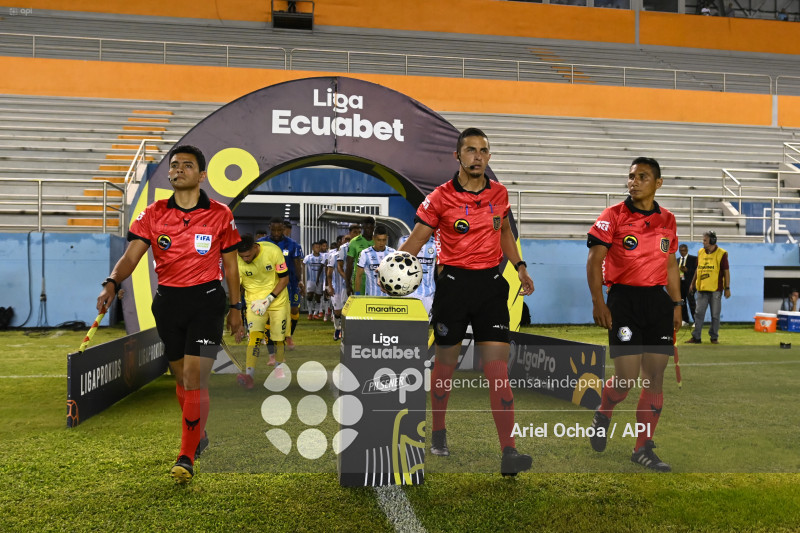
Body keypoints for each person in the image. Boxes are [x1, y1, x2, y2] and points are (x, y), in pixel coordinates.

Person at [95, 145, 244, 484]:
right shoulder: (153, 213)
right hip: (167, 304)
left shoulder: (221, 214)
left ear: (201, 175)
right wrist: (111, 281)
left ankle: (186, 455)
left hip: (207, 301)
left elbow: (231, 266)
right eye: (174, 165)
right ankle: (198, 434)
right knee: (181, 379)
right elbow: (132, 256)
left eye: (186, 166)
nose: (177, 170)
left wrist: (235, 308)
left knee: (194, 377)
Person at [398, 127, 535, 476]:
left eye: (483, 151)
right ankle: (439, 431)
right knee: (445, 366)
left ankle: (509, 451)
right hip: (453, 287)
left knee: (497, 371)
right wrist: (392, 273)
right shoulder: (440, 197)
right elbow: (417, 239)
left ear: (489, 156)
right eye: (471, 150)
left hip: (491, 288)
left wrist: (519, 267)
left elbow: (504, 232)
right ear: (457, 156)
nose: (477, 156)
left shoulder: (500, 194)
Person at [587, 156, 681, 473]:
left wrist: (676, 304)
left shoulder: (668, 219)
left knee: (655, 378)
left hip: (657, 302)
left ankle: (642, 449)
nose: (634, 181)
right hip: (623, 300)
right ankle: (604, 410)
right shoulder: (612, 216)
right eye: (631, 176)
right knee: (626, 380)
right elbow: (593, 261)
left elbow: (670, 265)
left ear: (658, 183)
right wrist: (599, 302)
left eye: (642, 176)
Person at [236, 234, 290, 387]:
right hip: (254, 302)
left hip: (276, 299)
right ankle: (249, 376)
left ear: (255, 247)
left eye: (248, 256)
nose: (245, 259)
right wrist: (238, 314)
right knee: (254, 336)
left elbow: (284, 279)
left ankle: (279, 368)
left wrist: (269, 300)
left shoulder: (273, 251)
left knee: (278, 337)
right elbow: (237, 288)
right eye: (242, 256)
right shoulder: (236, 259)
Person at [260, 217, 304, 350]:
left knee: (294, 310)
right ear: (270, 228)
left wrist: (300, 280)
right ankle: (271, 342)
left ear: (283, 229)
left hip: (289, 283)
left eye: (279, 229)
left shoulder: (293, 244)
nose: (277, 232)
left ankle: (288, 336)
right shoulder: (261, 243)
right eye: (274, 229)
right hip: (269, 284)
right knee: (270, 314)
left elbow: (297, 264)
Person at [687, 231, 730, 344]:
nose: (703, 242)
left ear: (712, 241)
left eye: (705, 240)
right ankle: (696, 337)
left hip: (716, 290)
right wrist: (692, 283)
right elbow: (698, 269)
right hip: (701, 289)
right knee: (698, 314)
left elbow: (726, 272)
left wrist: (727, 288)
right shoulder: (700, 252)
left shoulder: (722, 254)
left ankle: (714, 337)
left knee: (715, 315)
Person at [397, 233, 437, 317]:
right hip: (407, 293)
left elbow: (440, 267)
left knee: (424, 326)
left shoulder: (436, 242)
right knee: (407, 326)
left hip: (428, 294)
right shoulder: (403, 240)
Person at [355, 225, 395, 296]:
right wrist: (357, 294)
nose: (381, 243)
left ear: (387, 238)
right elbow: (358, 275)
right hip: (371, 296)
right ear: (373, 238)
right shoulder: (365, 253)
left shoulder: (392, 253)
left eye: (384, 240)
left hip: (389, 297)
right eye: (379, 240)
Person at [326, 235, 349, 341]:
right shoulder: (334, 256)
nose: (347, 242)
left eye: (349, 240)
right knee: (338, 312)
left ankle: (343, 332)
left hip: (348, 288)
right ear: (340, 242)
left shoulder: (354, 254)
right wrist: (330, 287)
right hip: (337, 288)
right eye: (345, 240)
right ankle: (337, 329)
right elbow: (329, 273)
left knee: (346, 312)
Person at [346, 216, 376, 296]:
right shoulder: (354, 242)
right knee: (360, 306)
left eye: (371, 227)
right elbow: (349, 265)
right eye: (367, 227)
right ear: (363, 227)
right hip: (359, 281)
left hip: (375, 281)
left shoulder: (378, 241)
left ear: (374, 227)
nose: (369, 230)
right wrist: (347, 285)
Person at [303, 241, 327, 319]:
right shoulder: (308, 257)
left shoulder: (323, 257)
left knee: (318, 297)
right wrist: (303, 278)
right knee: (309, 295)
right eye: (316, 247)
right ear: (313, 248)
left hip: (320, 280)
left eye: (319, 247)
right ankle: (310, 313)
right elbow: (303, 265)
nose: (318, 248)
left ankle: (315, 312)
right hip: (310, 280)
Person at [676, 244, 697, 325]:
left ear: (687, 250)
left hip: (690, 284)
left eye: (684, 250)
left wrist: (687, 270)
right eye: (681, 250)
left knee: (692, 302)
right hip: (680, 284)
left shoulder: (693, 259)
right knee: (682, 302)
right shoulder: (677, 260)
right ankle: (685, 320)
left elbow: (697, 271)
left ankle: (696, 321)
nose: (683, 252)